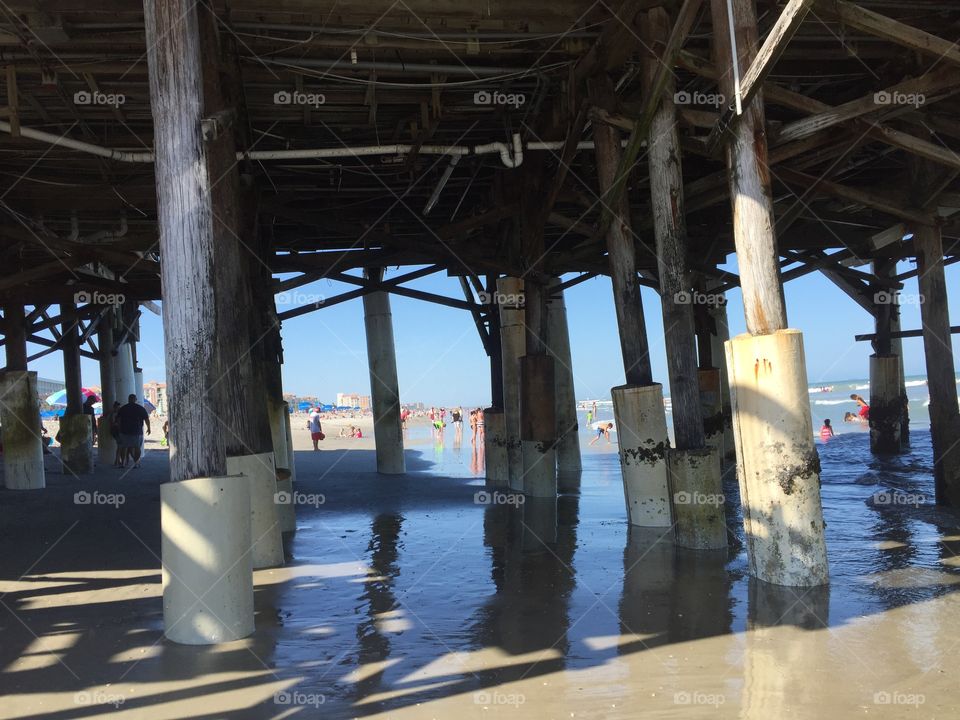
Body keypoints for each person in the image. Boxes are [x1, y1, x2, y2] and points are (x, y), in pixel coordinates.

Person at [116, 394, 150, 468]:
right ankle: (136, 463)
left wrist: (119, 429)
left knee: (124, 447)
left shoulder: (123, 408)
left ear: (128, 399)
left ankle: (123, 463)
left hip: (124, 430)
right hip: (137, 431)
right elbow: (146, 419)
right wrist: (149, 428)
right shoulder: (140, 408)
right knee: (137, 447)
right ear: (135, 399)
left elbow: (118, 420)